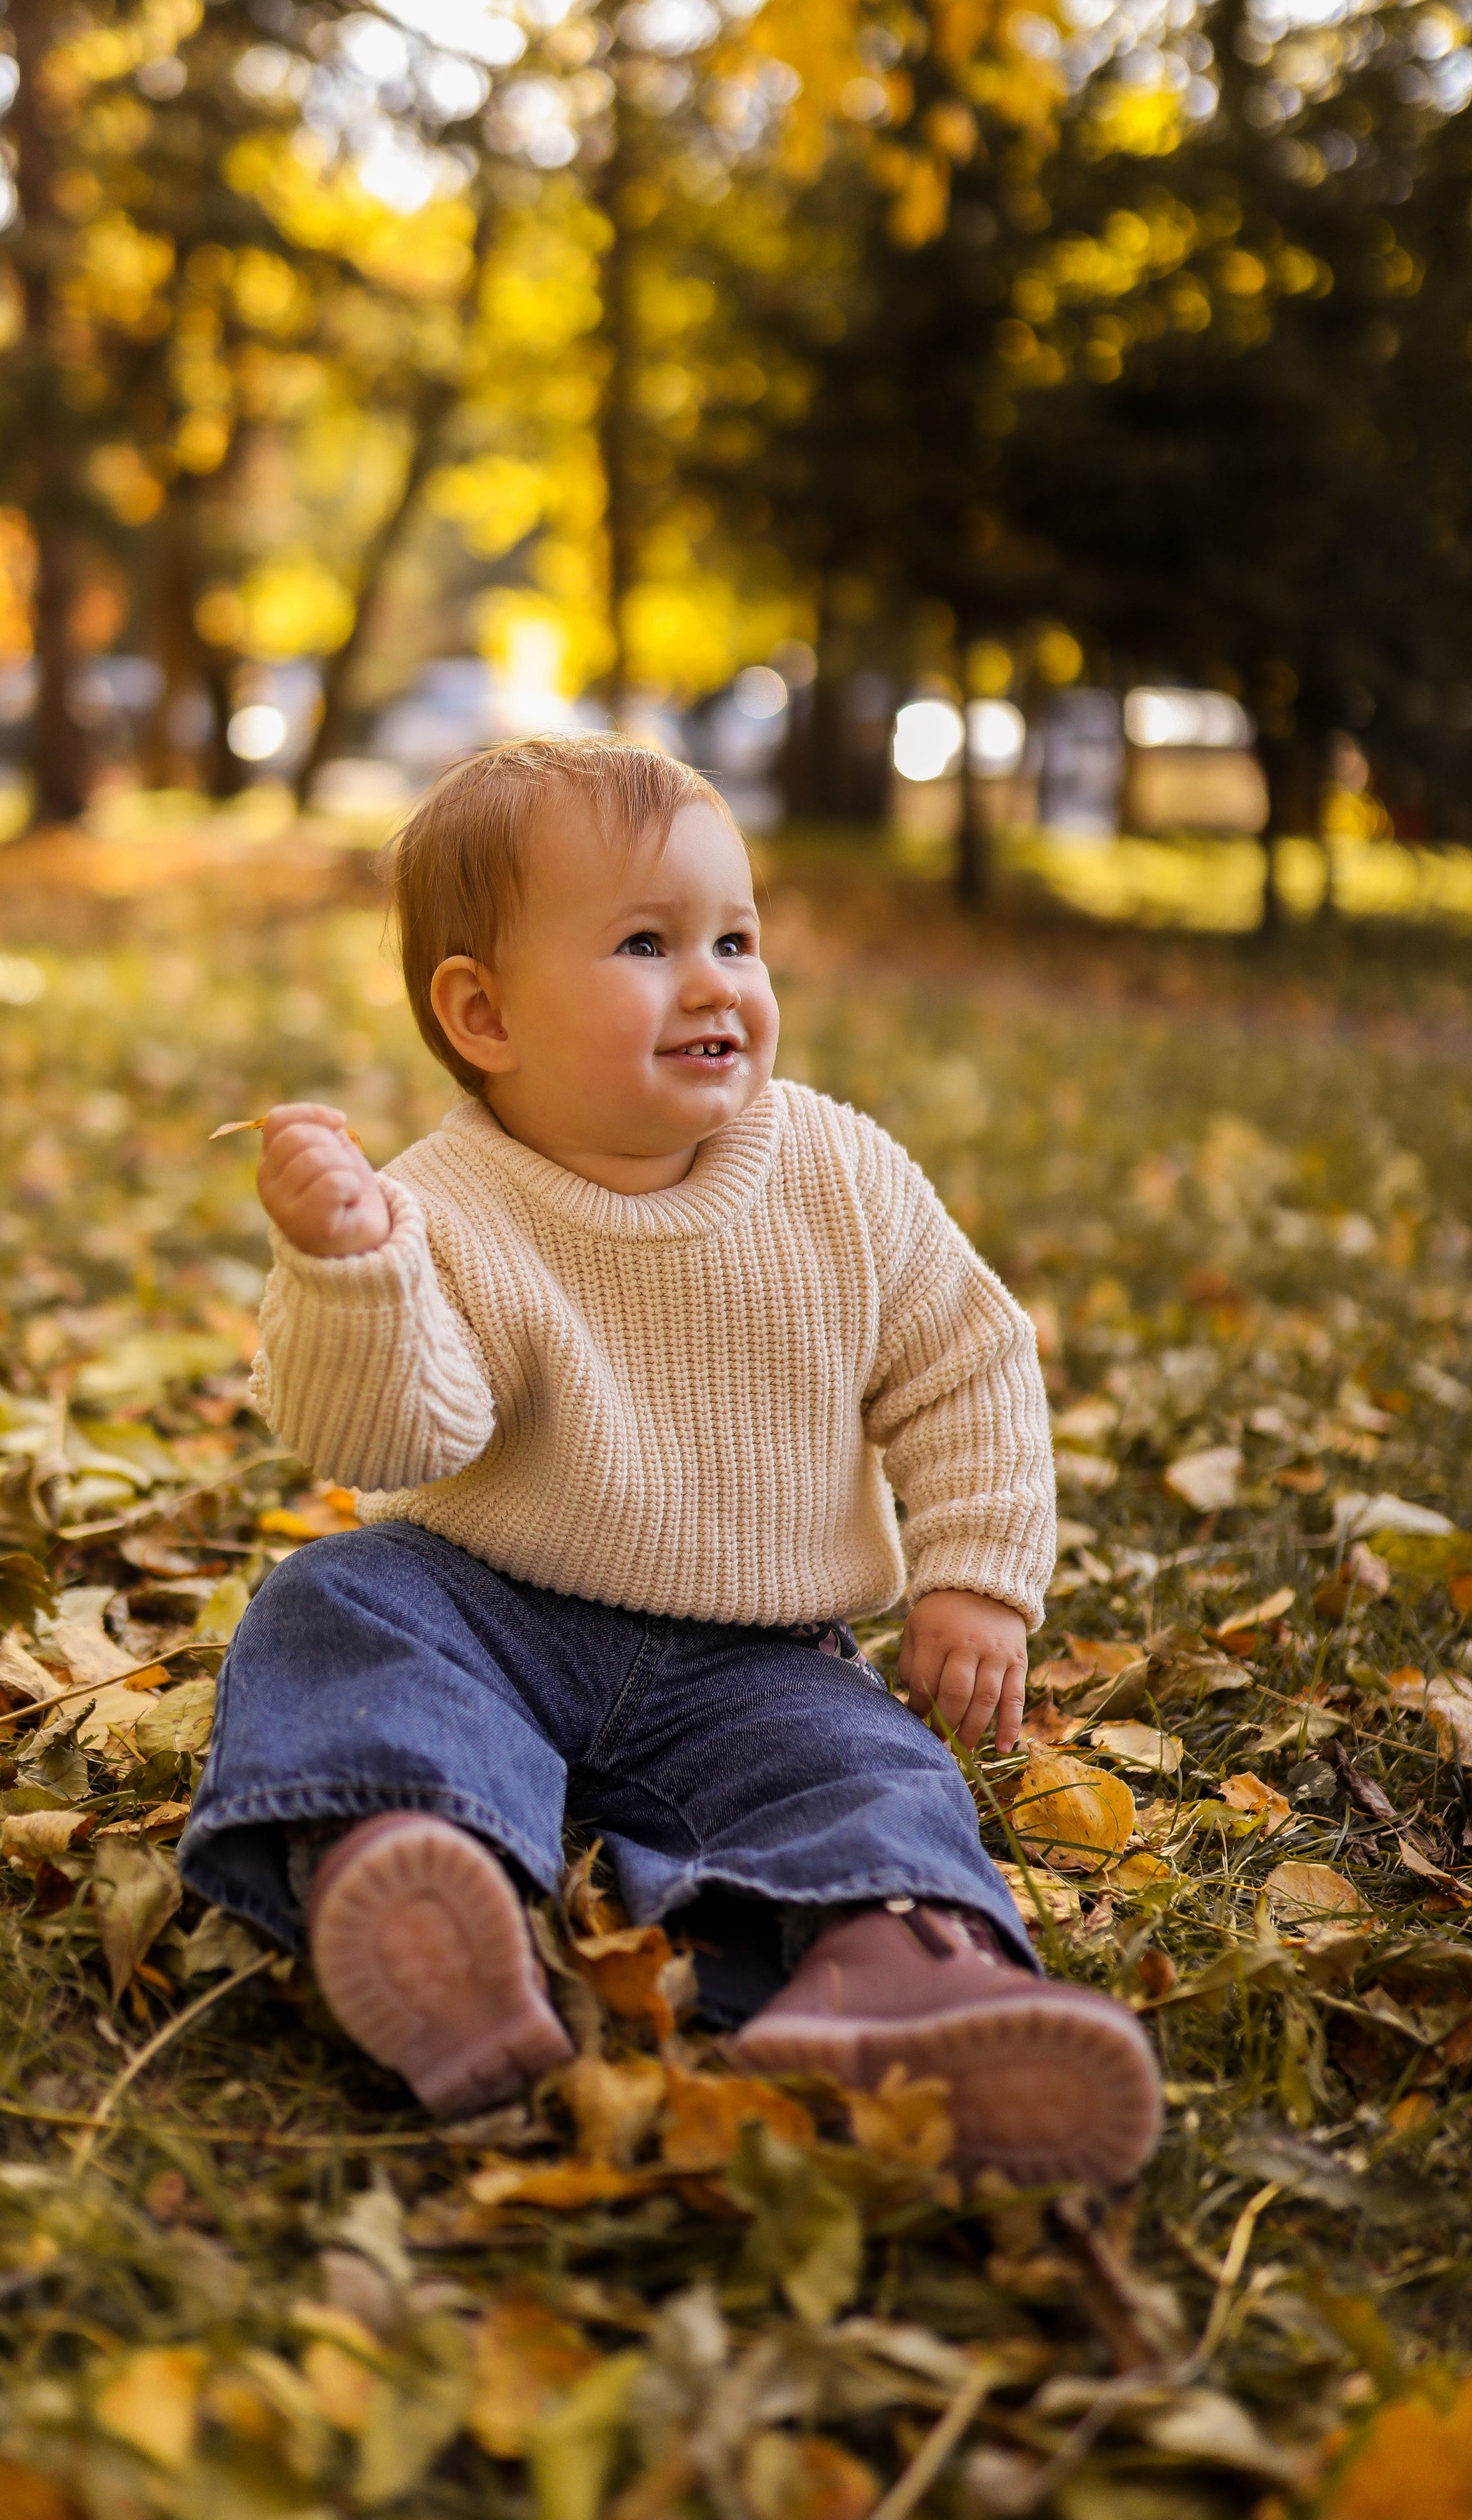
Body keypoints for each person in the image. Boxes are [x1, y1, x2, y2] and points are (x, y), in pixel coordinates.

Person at [180, 737, 1160, 2188]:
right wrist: (349, 1271)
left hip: (756, 1656)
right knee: (336, 1601)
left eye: (735, 937)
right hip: (488, 1605)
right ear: (484, 1013)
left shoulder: (835, 1171)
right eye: (645, 942)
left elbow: (964, 1359)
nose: (713, 980)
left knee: (864, 1767)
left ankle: (886, 1968)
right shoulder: (435, 1203)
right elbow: (389, 1435)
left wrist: (973, 1577)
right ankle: (411, 1866)